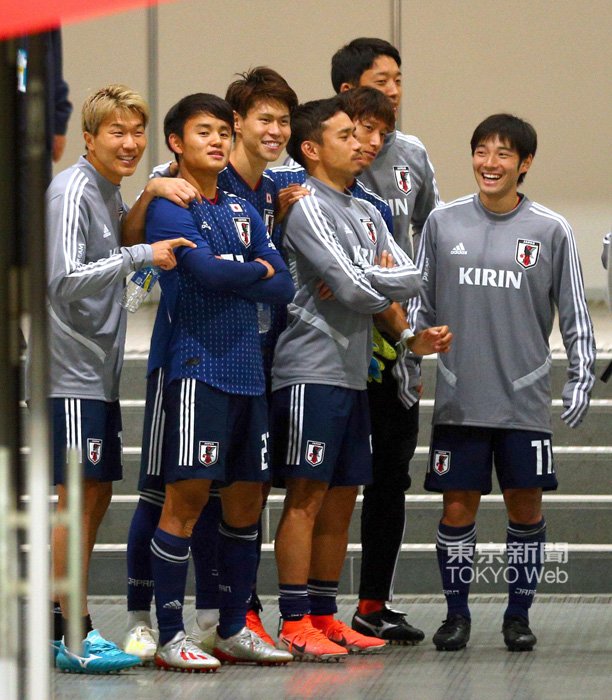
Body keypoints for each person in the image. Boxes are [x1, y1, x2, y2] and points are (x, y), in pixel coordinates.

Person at [123, 68, 298, 661]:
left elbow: (285, 285)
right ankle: (168, 633)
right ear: (177, 142)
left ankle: (231, 627)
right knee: (181, 500)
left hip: (249, 372)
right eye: (205, 132)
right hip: (196, 368)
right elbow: (205, 274)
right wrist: (253, 271)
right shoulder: (171, 204)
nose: (218, 140)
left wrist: (243, 272)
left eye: (224, 131)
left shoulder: (244, 206)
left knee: (247, 504)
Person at [270, 97, 452, 661]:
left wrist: (359, 276)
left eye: (361, 134)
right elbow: (350, 290)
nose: (360, 144)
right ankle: (294, 619)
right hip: (309, 370)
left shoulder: (368, 211)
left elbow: (414, 277)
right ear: (311, 148)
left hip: (354, 374)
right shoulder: (306, 206)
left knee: (342, 498)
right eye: (346, 135)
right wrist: (368, 278)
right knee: (305, 497)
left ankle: (325, 615)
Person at [409, 113, 596, 651]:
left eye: (503, 154)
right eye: (481, 151)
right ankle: (456, 616)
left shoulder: (551, 229)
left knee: (526, 509)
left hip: (524, 400)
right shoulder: (442, 223)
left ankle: (518, 616)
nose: (489, 163)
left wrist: (580, 375)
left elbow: (575, 311)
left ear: (525, 163)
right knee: (456, 509)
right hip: (460, 397)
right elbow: (419, 305)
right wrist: (410, 358)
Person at [32, 84, 195, 674]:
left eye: (136, 132)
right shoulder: (72, 191)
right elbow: (60, 280)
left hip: (93, 372)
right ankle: (69, 631)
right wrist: (141, 256)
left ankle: (60, 623)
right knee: (77, 498)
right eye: (116, 133)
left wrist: (148, 193)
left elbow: (121, 237)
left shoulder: (107, 189)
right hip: (68, 372)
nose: (129, 143)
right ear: (89, 137)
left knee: (94, 495)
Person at [331, 36, 440, 645]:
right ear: (347, 91)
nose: (395, 91)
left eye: (399, 79)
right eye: (382, 80)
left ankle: (373, 603)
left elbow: (431, 232)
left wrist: (417, 325)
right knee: (323, 479)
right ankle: (307, 609)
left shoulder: (413, 153)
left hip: (400, 349)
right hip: (337, 343)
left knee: (391, 475)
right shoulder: (316, 155)